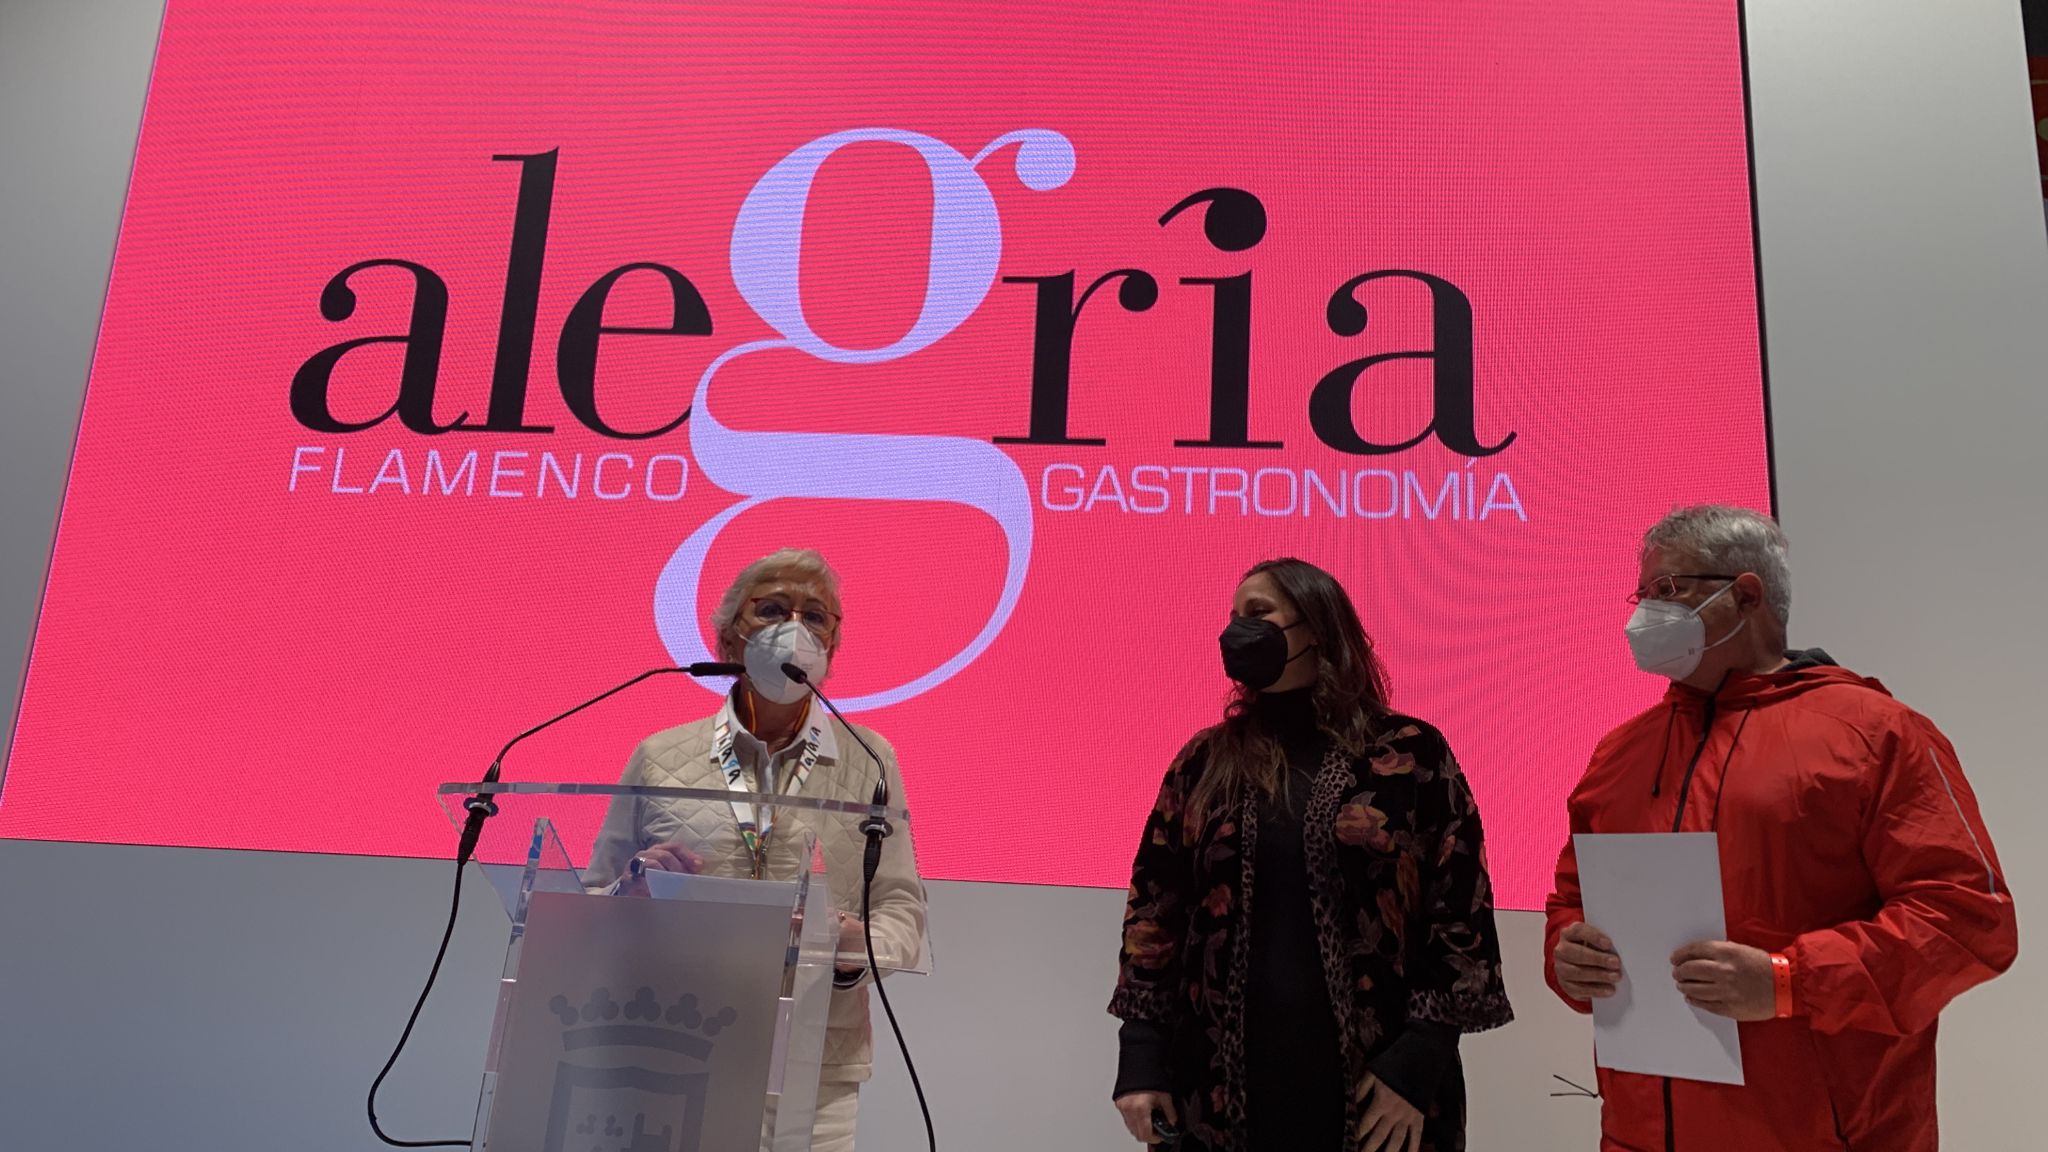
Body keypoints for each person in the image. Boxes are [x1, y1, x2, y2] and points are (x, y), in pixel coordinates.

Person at [1544, 505, 2018, 1151]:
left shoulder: (1875, 732)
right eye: (1643, 592)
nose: (1645, 613)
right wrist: (1567, 954)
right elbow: (1573, 899)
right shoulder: (1621, 753)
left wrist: (1791, 979)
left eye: (1670, 589)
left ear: (1747, 593)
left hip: (1824, 1133)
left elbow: (1966, 920)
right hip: (1641, 1132)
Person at [1109, 558, 1513, 1152]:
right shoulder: (1204, 761)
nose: (1237, 631)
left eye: (1259, 613)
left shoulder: (1408, 754)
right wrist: (1140, 1056)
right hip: (1213, 1088)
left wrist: (1421, 1057)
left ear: (1317, 629)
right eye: (1233, 616)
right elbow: (1154, 907)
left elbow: (1461, 912)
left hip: (1380, 1088)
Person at [587, 547, 926, 1152]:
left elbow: (901, 911)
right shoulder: (660, 756)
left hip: (818, 1062)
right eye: (771, 610)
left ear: (833, 643)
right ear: (729, 637)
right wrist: (631, 890)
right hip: (674, 1044)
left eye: (815, 615)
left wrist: (855, 948)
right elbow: (591, 902)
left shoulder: (871, 760)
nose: (795, 629)